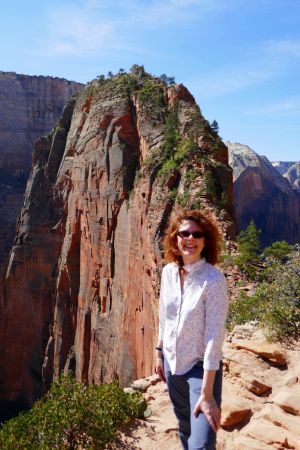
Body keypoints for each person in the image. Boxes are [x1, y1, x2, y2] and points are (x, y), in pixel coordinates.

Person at [155, 209, 228, 450]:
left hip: (199, 369)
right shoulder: (168, 273)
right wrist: (159, 352)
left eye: (197, 234)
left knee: (202, 442)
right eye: (184, 233)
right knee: (185, 428)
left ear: (206, 241)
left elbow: (214, 338)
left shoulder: (213, 280)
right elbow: (164, 316)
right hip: (171, 364)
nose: (190, 239)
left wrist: (207, 393)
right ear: (175, 238)